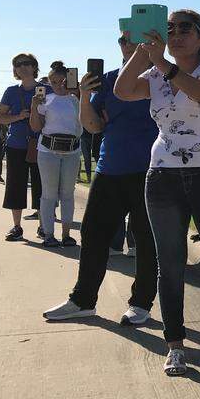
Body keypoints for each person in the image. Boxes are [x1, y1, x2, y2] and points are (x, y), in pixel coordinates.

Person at [114, 9, 200, 377]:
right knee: (169, 264)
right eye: (169, 28)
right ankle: (175, 345)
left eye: (185, 28)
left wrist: (165, 64)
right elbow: (123, 91)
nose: (175, 34)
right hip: (164, 177)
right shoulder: (155, 72)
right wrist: (144, 52)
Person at [43, 31, 159, 326]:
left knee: (146, 240)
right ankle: (83, 300)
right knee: (93, 234)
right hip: (110, 168)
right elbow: (93, 126)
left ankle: (142, 303)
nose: (128, 44)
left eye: (135, 38)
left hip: (151, 169)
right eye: (123, 39)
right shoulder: (106, 80)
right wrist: (83, 96)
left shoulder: (162, 76)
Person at [29, 61, 82, 247]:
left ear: (70, 80)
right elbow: (36, 127)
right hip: (48, 150)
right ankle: (49, 234)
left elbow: (84, 123)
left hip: (72, 151)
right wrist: (34, 107)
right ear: (49, 81)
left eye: (62, 81)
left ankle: (66, 234)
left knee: (68, 193)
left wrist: (79, 93)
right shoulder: (45, 100)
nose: (59, 85)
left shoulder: (77, 99)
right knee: (49, 194)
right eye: (54, 81)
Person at [0, 53, 44, 241]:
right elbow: (0, 117)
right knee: (15, 186)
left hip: (42, 145)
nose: (22, 67)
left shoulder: (47, 89)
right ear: (14, 70)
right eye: (18, 65)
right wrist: (19, 116)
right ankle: (17, 226)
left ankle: (44, 225)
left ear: (34, 67)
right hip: (16, 145)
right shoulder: (11, 91)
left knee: (43, 187)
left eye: (27, 64)